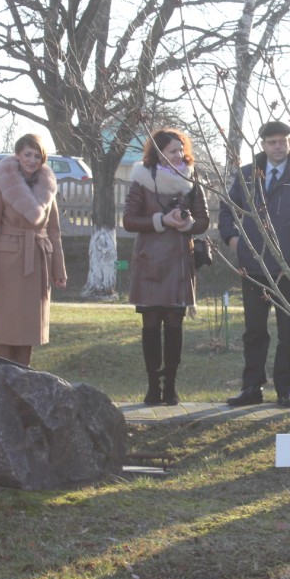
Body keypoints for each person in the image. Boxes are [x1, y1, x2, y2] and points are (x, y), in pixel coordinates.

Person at [219, 121, 290, 408]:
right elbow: (227, 210)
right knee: (254, 330)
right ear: (263, 145)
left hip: (288, 268)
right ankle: (251, 387)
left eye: (283, 141)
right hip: (253, 266)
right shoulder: (247, 176)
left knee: (288, 331)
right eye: (272, 142)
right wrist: (233, 241)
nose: (278, 146)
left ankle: (286, 389)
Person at [122, 128, 210, 405]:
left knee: (174, 323)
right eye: (173, 150)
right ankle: (152, 386)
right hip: (149, 261)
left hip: (180, 261)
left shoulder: (191, 178)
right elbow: (129, 220)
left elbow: (204, 220)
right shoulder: (141, 178)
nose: (179, 155)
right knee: (150, 323)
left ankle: (170, 385)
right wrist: (162, 220)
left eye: (181, 149)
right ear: (158, 153)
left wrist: (187, 224)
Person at [0, 133, 67, 366]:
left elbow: (54, 230)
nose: (32, 160)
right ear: (17, 155)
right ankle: (3, 379)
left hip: (37, 260)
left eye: (37, 156)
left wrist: (59, 270)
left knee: (29, 328)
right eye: (27, 154)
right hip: (8, 262)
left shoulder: (48, 186)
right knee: (7, 327)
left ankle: (24, 377)